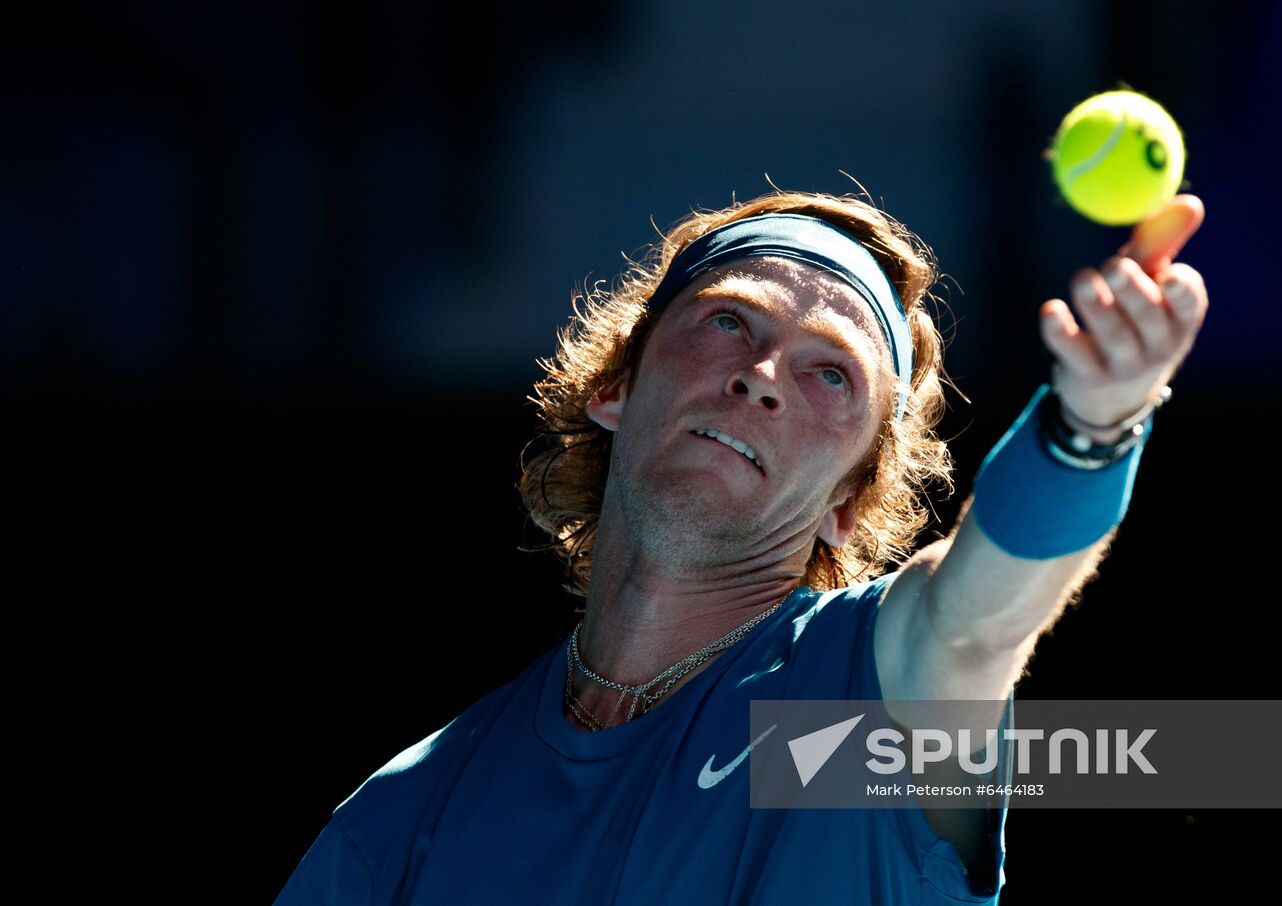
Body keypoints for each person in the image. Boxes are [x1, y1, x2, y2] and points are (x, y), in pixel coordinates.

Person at [272, 188, 1208, 905]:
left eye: (829, 372)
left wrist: (1092, 427)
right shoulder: (403, 818)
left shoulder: (846, 721)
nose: (761, 378)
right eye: (730, 321)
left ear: (849, 502)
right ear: (617, 386)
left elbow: (976, 622)